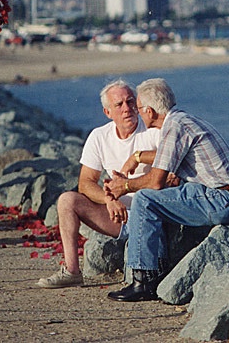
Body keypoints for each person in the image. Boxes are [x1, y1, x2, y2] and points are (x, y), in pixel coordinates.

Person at [104, 78, 229, 302]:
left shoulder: (175, 127)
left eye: (138, 108)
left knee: (145, 199)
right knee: (158, 197)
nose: (138, 114)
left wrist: (123, 187)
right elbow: (166, 160)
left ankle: (143, 280)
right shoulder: (182, 121)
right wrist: (138, 158)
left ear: (150, 111)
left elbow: (155, 181)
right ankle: (157, 271)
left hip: (222, 199)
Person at [36, 79, 162, 288]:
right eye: (119, 105)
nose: (127, 109)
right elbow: (85, 183)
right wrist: (109, 200)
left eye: (131, 102)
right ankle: (72, 271)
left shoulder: (152, 130)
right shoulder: (99, 136)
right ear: (107, 112)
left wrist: (128, 184)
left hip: (152, 215)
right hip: (117, 216)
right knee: (67, 200)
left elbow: (169, 171)